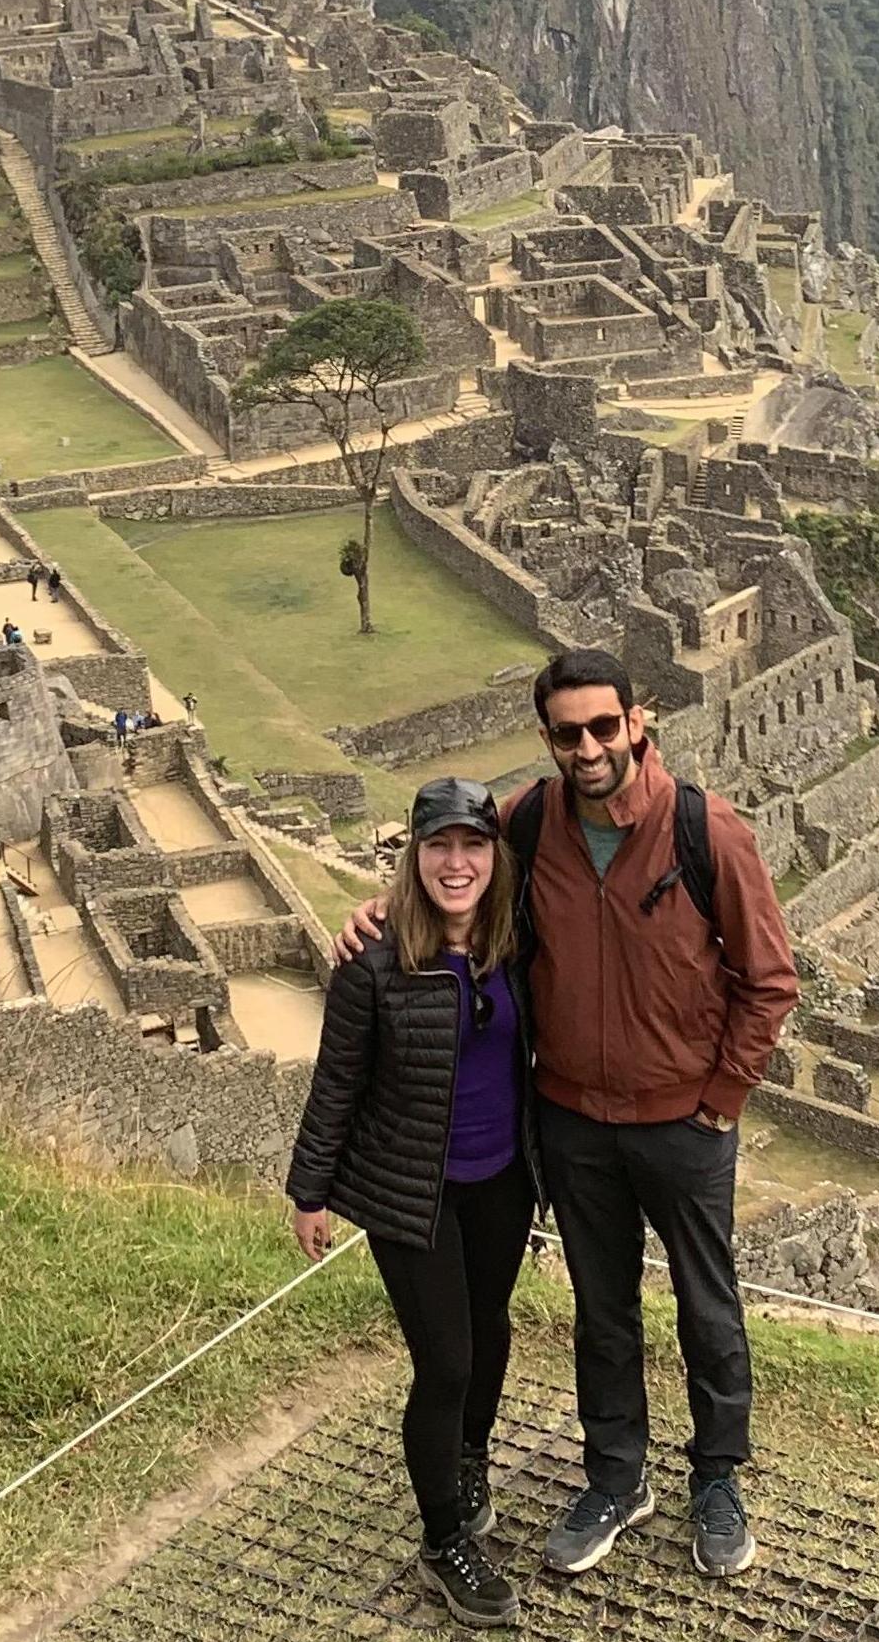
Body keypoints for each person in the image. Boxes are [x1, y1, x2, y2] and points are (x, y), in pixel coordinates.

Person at [338, 648, 796, 1583]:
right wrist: (375, 913)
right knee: (602, 1309)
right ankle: (617, 1477)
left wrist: (722, 1099)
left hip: (684, 1121)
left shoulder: (705, 831)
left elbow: (769, 978)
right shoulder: (529, 822)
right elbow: (453, 870)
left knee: (707, 1305)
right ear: (547, 738)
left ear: (637, 722)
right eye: (566, 733)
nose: (587, 748)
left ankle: (717, 1479)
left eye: (602, 727)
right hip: (574, 1119)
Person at [287, 777, 534, 1629]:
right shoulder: (374, 961)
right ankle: (443, 1542)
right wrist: (309, 1193)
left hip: (502, 1178)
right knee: (446, 1362)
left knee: (490, 1330)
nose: (456, 863)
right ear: (415, 857)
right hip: (411, 1192)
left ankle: (468, 1461)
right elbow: (336, 1082)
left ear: (495, 856)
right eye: (439, 846)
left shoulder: (517, 939)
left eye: (473, 845)